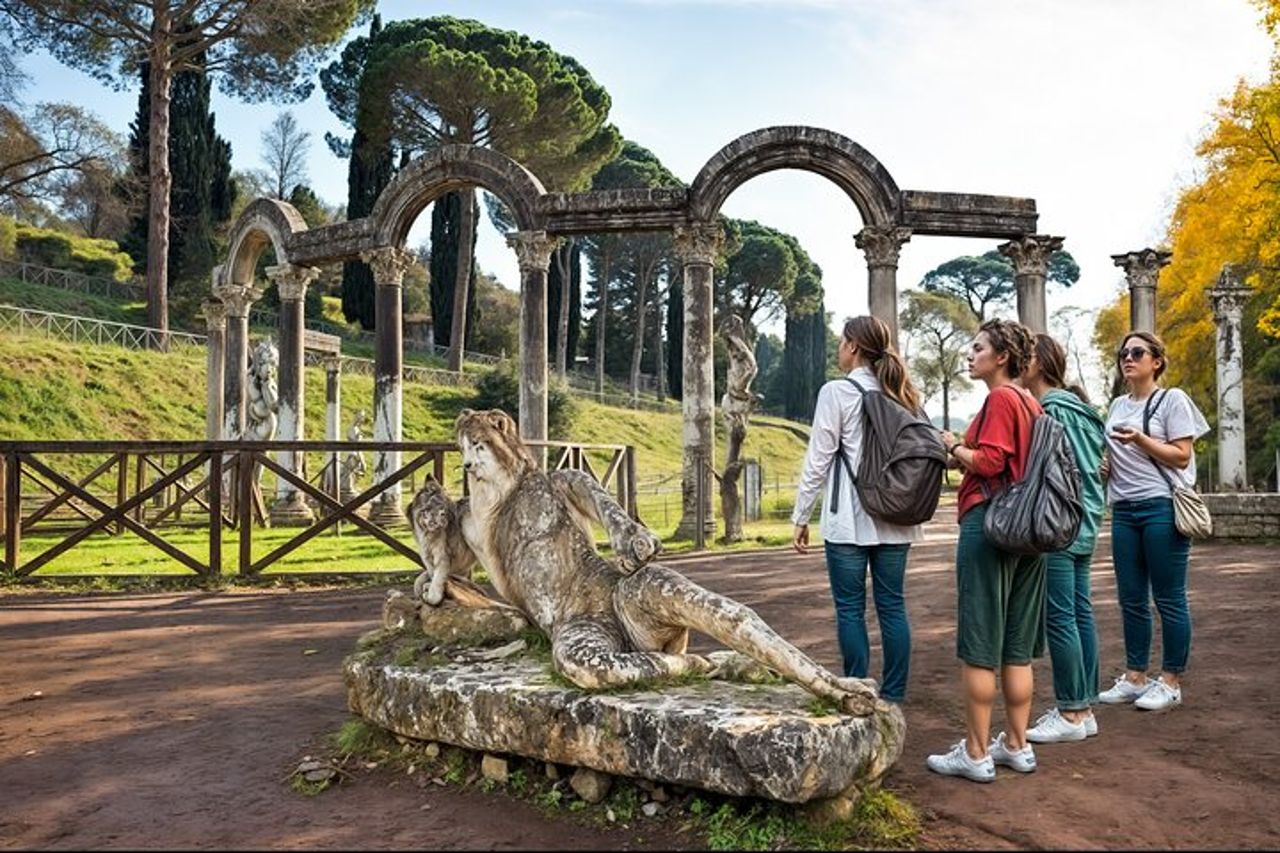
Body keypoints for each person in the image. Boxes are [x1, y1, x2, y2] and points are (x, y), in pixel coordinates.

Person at [927, 318, 1044, 783]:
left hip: (991, 523)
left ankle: (976, 753)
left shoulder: (999, 398)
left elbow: (991, 462)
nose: (969, 355)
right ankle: (1017, 744)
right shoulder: (1032, 402)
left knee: (980, 643)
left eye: (978, 348)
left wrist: (955, 445)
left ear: (1002, 357)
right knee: (1017, 647)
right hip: (1031, 529)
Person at [791, 315, 925, 705]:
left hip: (850, 519)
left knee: (850, 609)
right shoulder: (904, 392)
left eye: (841, 341)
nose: (839, 348)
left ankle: (857, 690)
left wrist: (801, 515)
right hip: (897, 517)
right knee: (892, 606)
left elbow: (818, 459)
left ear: (853, 346)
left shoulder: (837, 392)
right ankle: (894, 695)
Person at [1098, 331, 1209, 712]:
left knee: (1168, 597)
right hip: (1123, 510)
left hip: (1161, 507)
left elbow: (1181, 455)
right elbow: (1119, 456)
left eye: (1137, 352)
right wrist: (1107, 467)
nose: (1127, 358)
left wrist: (1141, 440)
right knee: (1131, 598)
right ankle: (1135, 677)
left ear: (1156, 361)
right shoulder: (1117, 405)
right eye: (1123, 353)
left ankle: (1171, 681)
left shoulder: (1172, 399)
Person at [1021, 333, 1106, 743]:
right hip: (1085, 521)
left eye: (1025, 356)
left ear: (1039, 363)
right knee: (1079, 612)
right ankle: (1084, 707)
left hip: (1058, 525)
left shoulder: (1050, 411)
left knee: (1059, 616)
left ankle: (1071, 711)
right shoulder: (1082, 409)